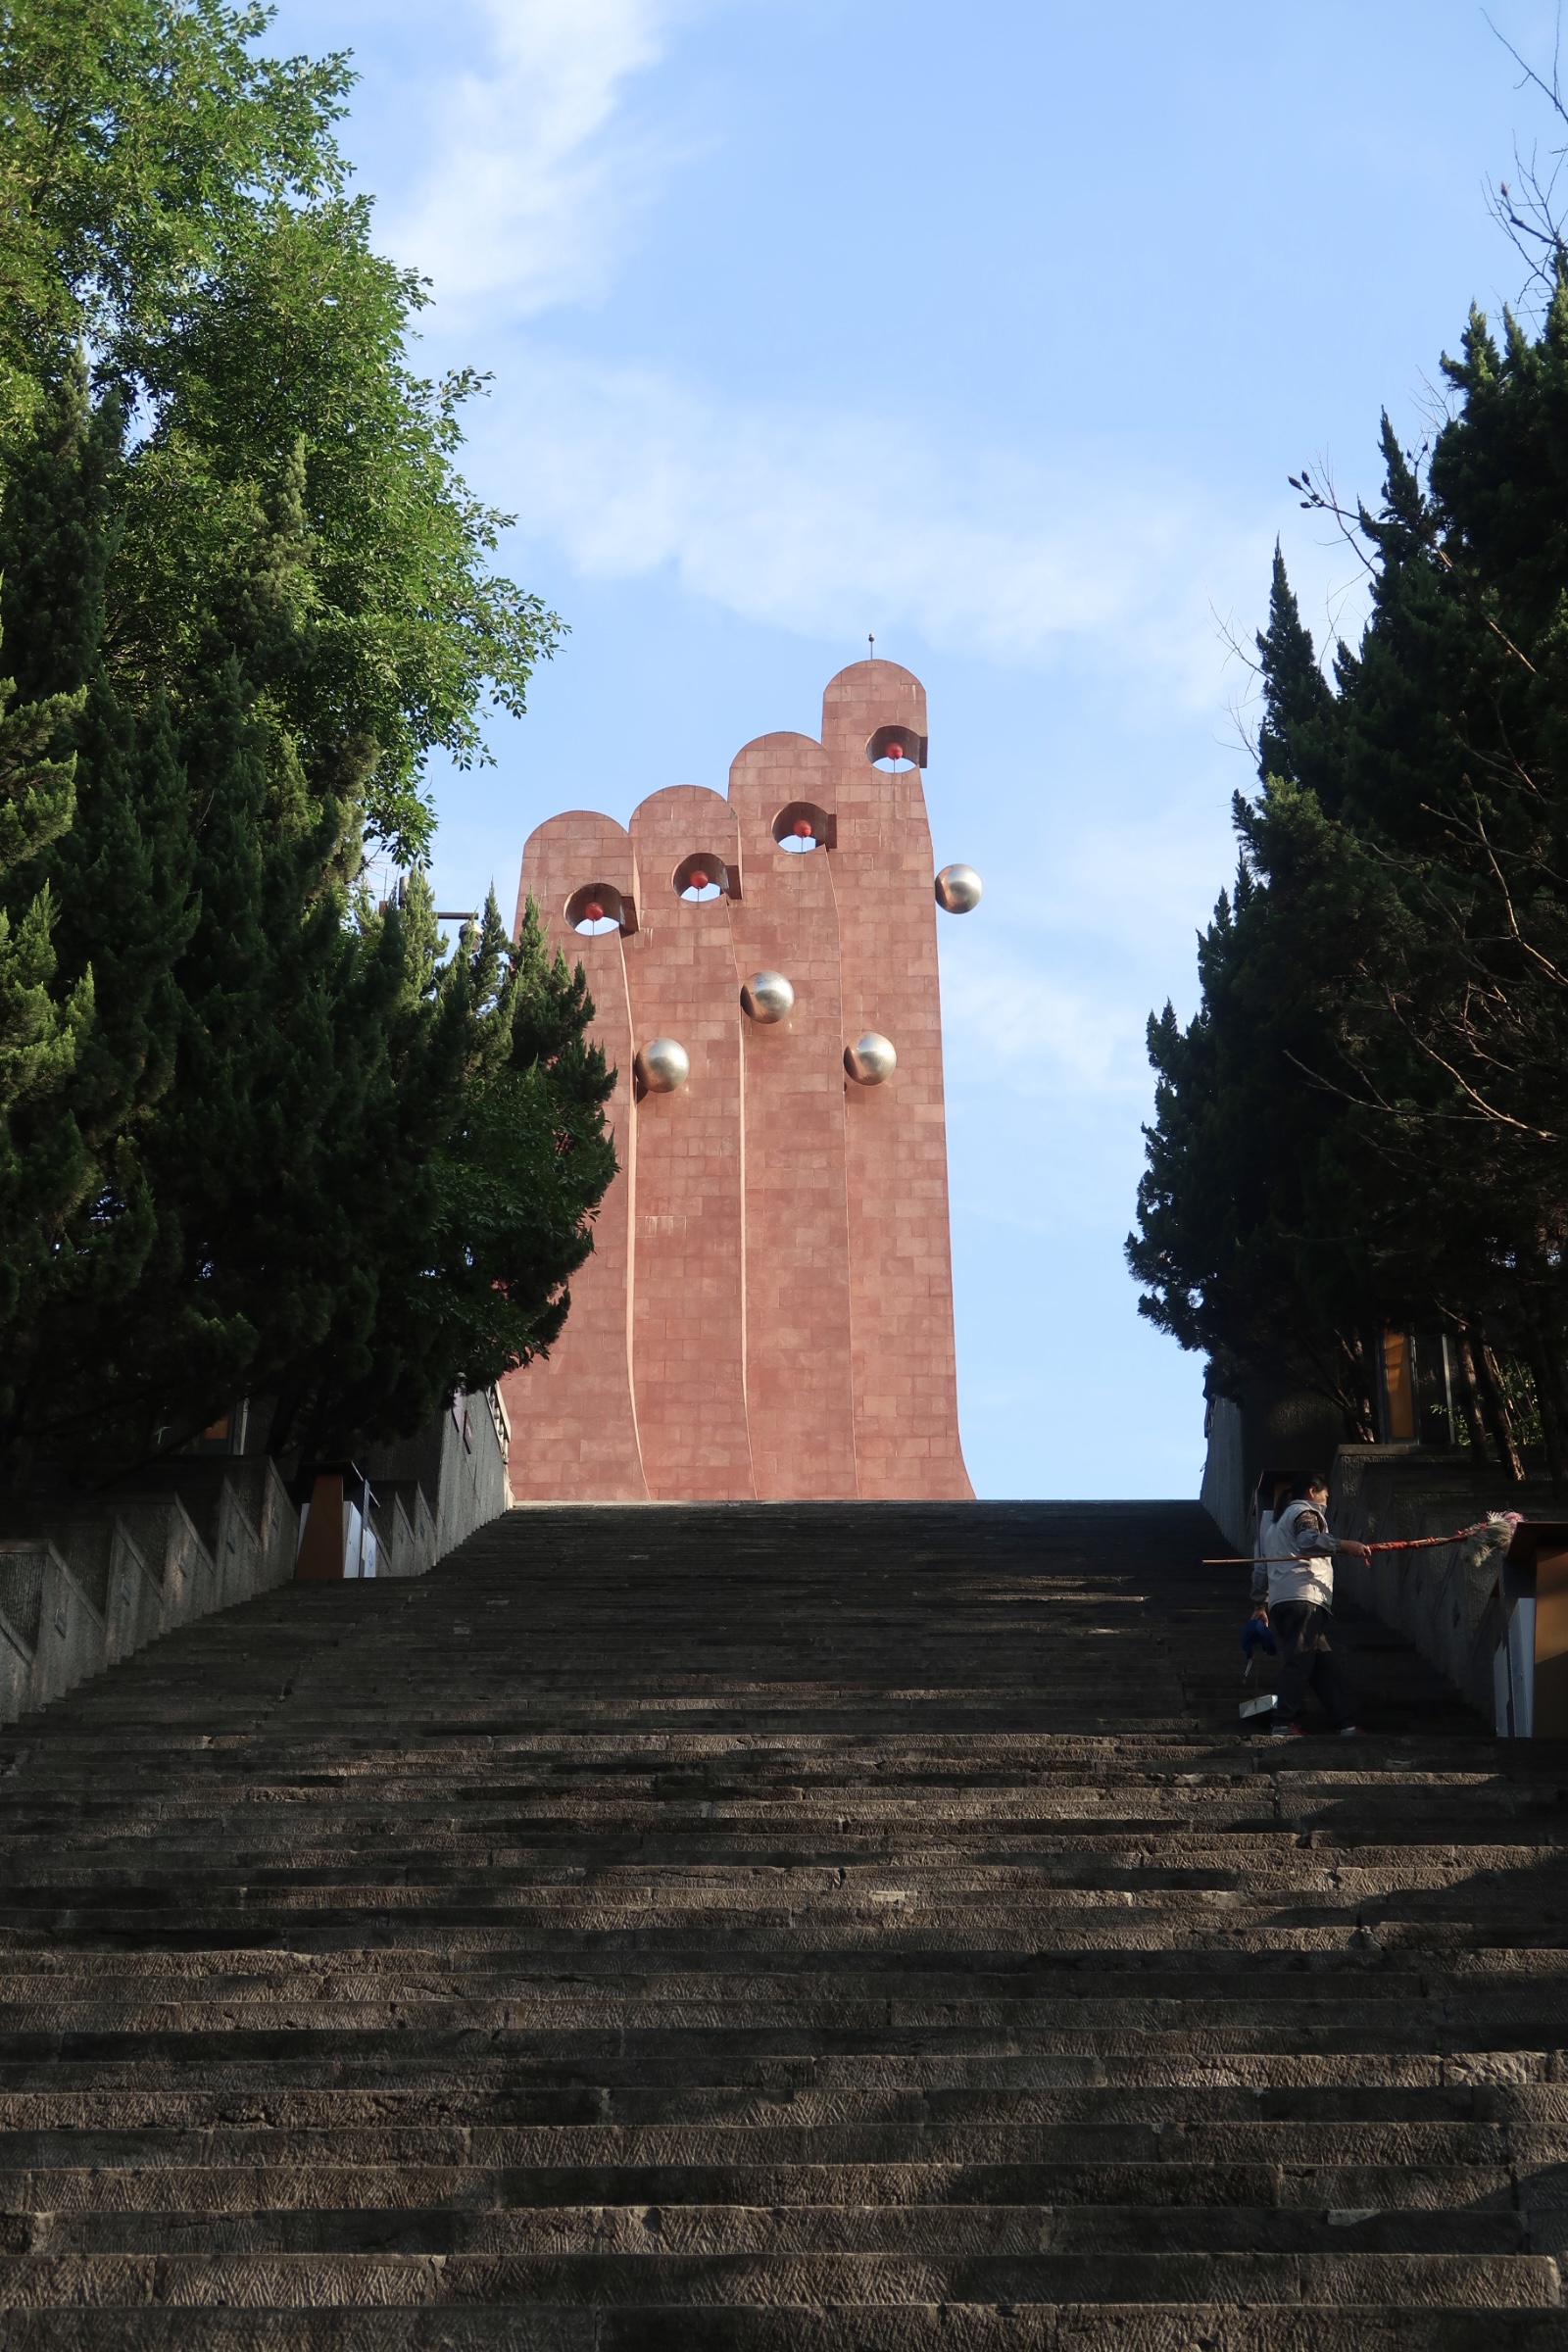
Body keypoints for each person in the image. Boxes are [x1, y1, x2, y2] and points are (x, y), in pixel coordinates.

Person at [1261, 1472, 1371, 1739]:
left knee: (1323, 1663)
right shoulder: (1304, 1512)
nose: (1326, 1500)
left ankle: (1345, 1722)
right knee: (1300, 1661)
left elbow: (1259, 1569)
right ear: (1312, 1490)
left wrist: (1258, 1603)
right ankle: (1282, 1722)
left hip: (1283, 1599)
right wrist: (1344, 1545)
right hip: (1303, 1596)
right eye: (1325, 1494)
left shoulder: (1274, 1527)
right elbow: (1308, 1541)